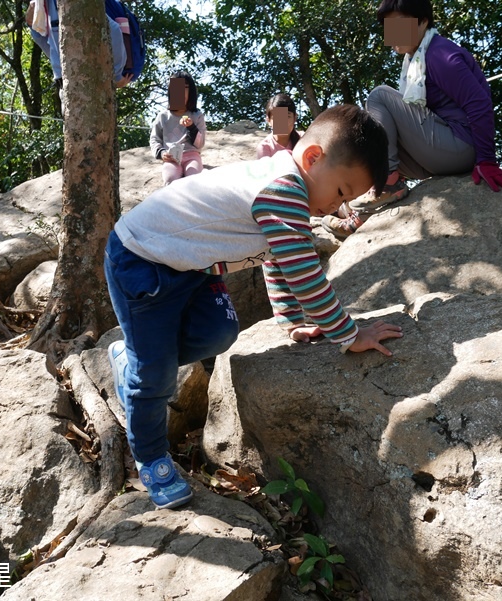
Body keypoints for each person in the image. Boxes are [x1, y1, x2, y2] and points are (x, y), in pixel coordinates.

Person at [105, 105, 404, 509]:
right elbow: (305, 276)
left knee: (219, 333)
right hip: (143, 260)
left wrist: (290, 321)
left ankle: (136, 358)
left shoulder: (288, 184)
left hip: (192, 266)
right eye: (340, 192)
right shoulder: (282, 188)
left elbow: (275, 258)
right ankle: (151, 455)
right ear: (313, 157)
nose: (335, 207)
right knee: (155, 373)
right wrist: (349, 334)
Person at [322, 0, 502, 239]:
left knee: (379, 96)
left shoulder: (440, 55)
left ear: (423, 22)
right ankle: (355, 217)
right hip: (440, 150)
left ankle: (390, 183)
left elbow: (479, 103)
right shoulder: (415, 59)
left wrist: (487, 160)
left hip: (461, 146)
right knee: (371, 145)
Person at [26, 0, 133, 91]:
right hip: (92, 72)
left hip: (65, 76)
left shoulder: (43, 4)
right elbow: (113, 30)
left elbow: (39, 35)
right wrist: (116, 75)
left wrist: (58, 61)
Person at [150, 71, 206, 185]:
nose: (181, 91)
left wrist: (191, 127)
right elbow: (155, 139)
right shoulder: (163, 116)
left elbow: (200, 144)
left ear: (191, 92)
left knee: (194, 179)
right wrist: (161, 153)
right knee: (170, 179)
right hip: (171, 158)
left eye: (185, 87)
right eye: (177, 87)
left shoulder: (197, 115)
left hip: (192, 156)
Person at [256, 93, 302, 159]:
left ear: (295, 118)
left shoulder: (303, 139)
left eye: (287, 117)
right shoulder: (265, 147)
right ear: (268, 120)